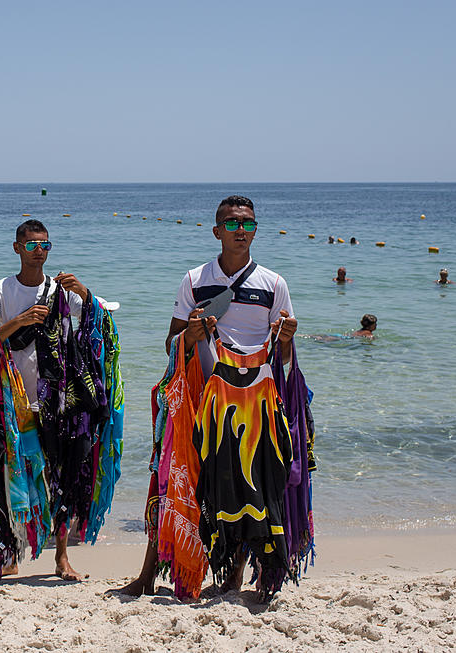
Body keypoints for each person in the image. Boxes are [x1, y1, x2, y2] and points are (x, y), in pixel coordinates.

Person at [120, 195, 298, 598]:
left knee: (247, 486)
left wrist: (287, 341)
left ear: (256, 230)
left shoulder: (273, 284)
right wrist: (191, 336)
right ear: (217, 231)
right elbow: (171, 342)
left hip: (253, 401)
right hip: (200, 396)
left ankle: (234, 575)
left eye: (248, 223)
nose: (241, 230)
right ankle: (150, 572)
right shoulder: (195, 280)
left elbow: (282, 356)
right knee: (173, 477)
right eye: (232, 223)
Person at [0, 219, 92, 582]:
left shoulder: (62, 291)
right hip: (13, 400)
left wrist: (86, 295)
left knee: (60, 477)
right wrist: (21, 319)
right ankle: (10, 554)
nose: (39, 250)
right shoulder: (1, 289)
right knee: (11, 476)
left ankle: (61, 558)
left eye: (45, 245)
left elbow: (95, 326)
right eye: (31, 245)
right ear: (17, 248)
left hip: (56, 399)